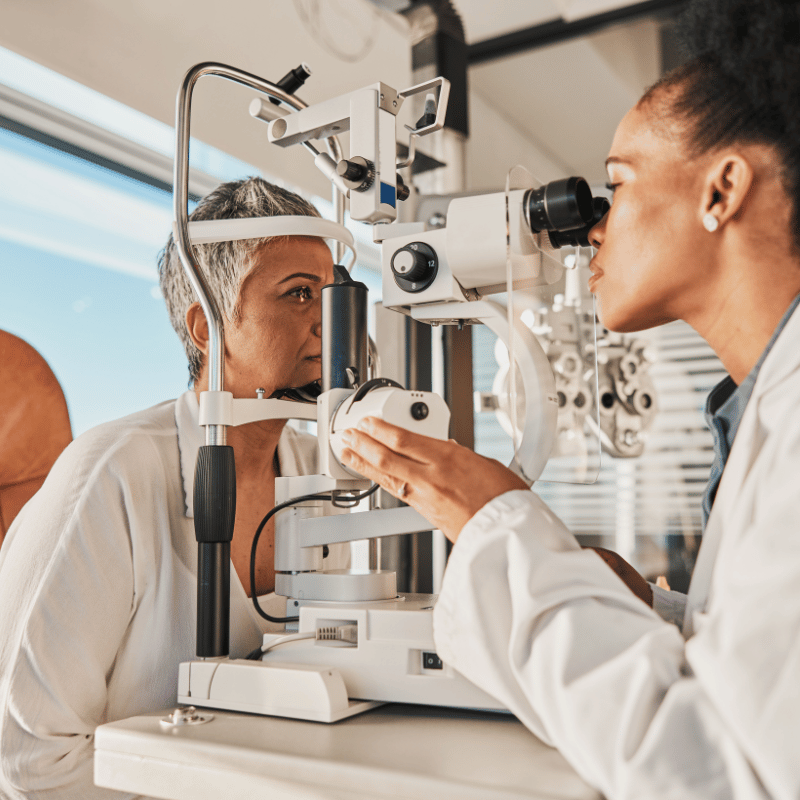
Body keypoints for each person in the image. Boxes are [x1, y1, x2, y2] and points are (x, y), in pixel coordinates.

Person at [341, 1, 800, 797]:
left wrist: (495, 524)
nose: (594, 228)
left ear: (721, 190)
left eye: (618, 186)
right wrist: (656, 611)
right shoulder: (765, 405)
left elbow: (716, 772)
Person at [0, 176, 348, 798]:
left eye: (333, 295)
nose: (330, 324)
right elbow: (29, 760)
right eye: (299, 295)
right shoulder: (112, 474)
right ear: (206, 327)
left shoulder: (319, 474)